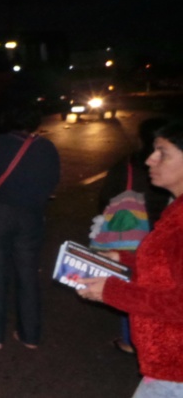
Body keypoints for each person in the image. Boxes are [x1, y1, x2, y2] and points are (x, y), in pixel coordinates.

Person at [78, 121, 183, 398]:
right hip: (165, 366)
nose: (150, 159)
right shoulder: (177, 208)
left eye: (163, 152)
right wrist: (120, 258)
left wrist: (111, 291)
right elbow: (166, 267)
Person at [0, 105, 60, 351]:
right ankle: (30, 335)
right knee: (28, 274)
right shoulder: (47, 147)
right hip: (32, 217)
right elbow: (52, 184)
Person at [94, 117, 171, 355]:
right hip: (157, 230)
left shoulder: (127, 165)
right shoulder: (173, 206)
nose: (152, 162)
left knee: (133, 282)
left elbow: (106, 198)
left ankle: (133, 339)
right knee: (152, 282)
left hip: (130, 234)